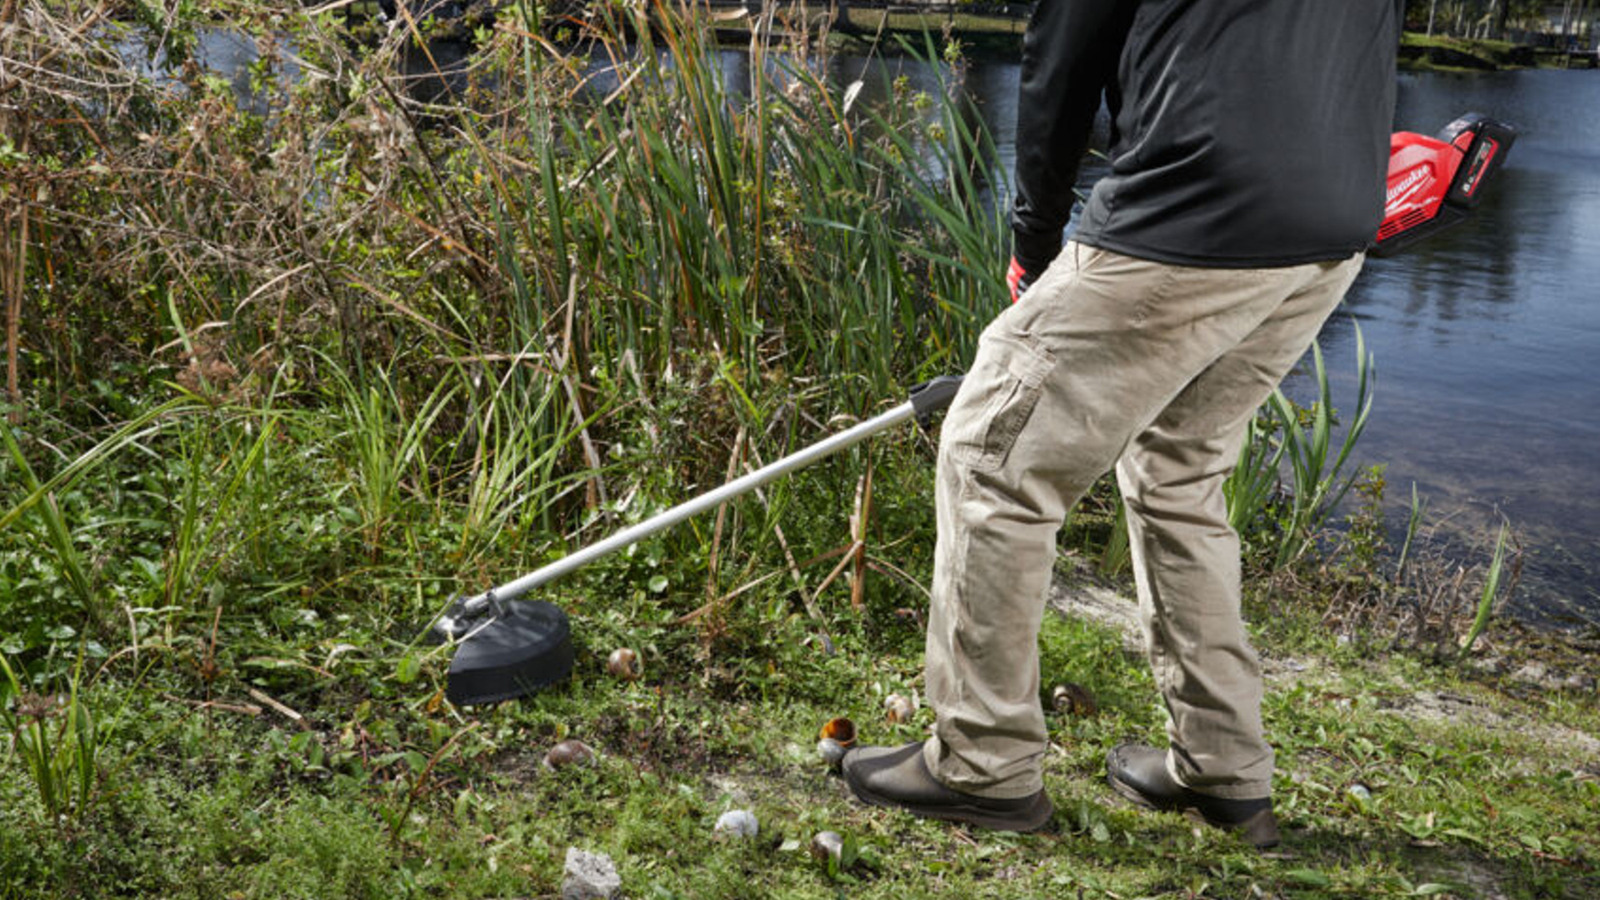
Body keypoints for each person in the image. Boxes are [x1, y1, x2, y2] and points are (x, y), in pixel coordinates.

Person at [841, 1, 1400, 849]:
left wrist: (1034, 238)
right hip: (1333, 220)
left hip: (1195, 204)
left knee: (991, 453)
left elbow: (1064, 51)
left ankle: (981, 765)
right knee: (1179, 469)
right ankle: (1223, 770)